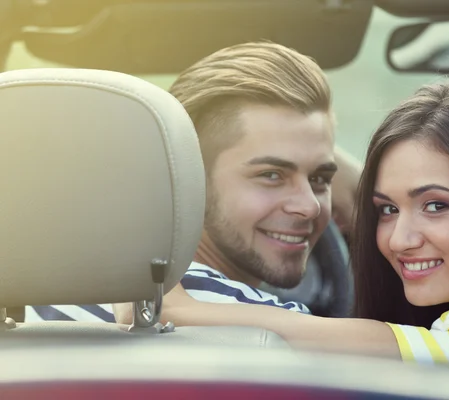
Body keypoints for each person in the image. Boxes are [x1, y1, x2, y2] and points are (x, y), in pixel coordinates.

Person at [115, 72, 449, 369]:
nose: (398, 240)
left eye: (436, 205)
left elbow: (179, 314)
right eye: (385, 209)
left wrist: (161, 295)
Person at [26, 41, 363, 322]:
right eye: (271, 175)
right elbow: (412, 347)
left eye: (320, 178)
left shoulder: (41, 299)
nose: (309, 206)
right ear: (186, 177)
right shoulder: (243, 319)